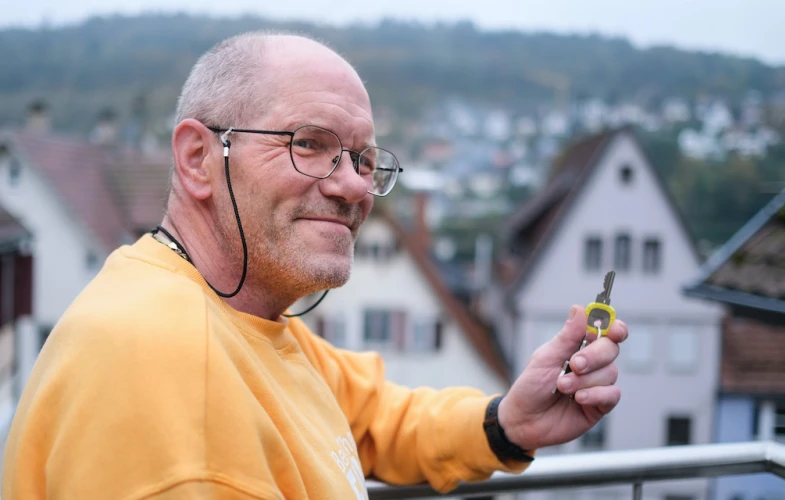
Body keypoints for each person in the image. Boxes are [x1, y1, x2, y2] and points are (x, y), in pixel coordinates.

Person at [2, 32, 627, 499]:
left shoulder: (240, 312)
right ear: (197, 158)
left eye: (363, 159)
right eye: (309, 144)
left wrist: (507, 423)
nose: (353, 187)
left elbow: (379, 418)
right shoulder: (167, 364)